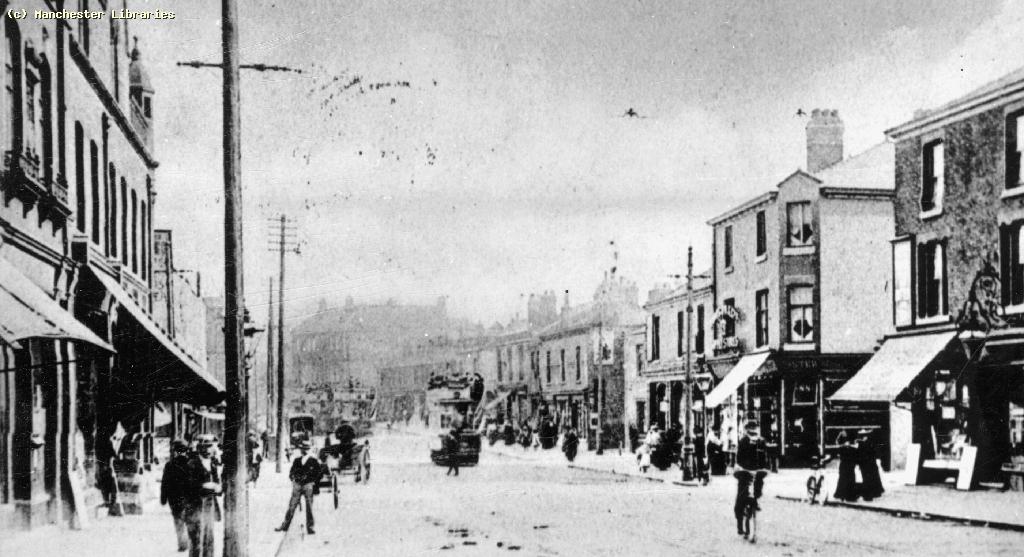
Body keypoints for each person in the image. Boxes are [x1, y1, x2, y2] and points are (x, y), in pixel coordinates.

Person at [183, 434, 221, 557]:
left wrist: (218, 488)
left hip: (209, 505)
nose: (209, 450)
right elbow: (188, 486)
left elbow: (217, 484)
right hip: (195, 505)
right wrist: (205, 485)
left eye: (210, 446)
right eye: (206, 447)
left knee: (209, 536)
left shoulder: (213, 464)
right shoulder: (192, 464)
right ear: (199, 448)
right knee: (196, 538)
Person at [275, 440, 322, 534]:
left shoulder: (314, 461)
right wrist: (293, 479)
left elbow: (319, 474)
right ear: (301, 450)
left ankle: (310, 527)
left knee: (309, 506)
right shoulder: (297, 460)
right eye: (303, 449)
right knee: (292, 505)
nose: (304, 450)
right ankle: (285, 525)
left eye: (306, 449)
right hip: (297, 485)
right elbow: (291, 472)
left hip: (308, 485)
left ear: (309, 450)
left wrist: (313, 482)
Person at [734, 421, 768, 537]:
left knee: (758, 487)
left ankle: (756, 500)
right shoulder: (743, 441)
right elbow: (738, 458)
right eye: (751, 428)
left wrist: (765, 468)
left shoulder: (761, 442)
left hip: (757, 471)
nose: (753, 430)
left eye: (755, 427)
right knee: (740, 497)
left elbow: (764, 457)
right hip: (745, 472)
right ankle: (739, 523)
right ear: (747, 429)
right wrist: (740, 468)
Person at [160, 439, 192, 552]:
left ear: (175, 451)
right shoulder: (191, 463)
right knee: (189, 520)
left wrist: (163, 498)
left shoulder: (169, 465)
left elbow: (165, 483)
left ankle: (182, 544)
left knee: (178, 521)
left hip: (174, 498)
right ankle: (189, 542)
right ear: (186, 451)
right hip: (189, 497)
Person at [856, 429, 884, 502]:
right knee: (871, 478)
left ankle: (870, 493)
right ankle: (874, 492)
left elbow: (860, 454)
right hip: (869, 464)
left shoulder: (863, 444)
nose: (864, 437)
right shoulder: (868, 443)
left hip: (867, 464)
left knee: (868, 478)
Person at [833, 431, 858, 502]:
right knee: (844, 478)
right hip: (845, 461)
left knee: (850, 478)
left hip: (849, 462)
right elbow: (837, 442)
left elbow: (856, 445)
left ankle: (849, 496)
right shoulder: (842, 435)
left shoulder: (852, 435)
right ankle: (843, 495)